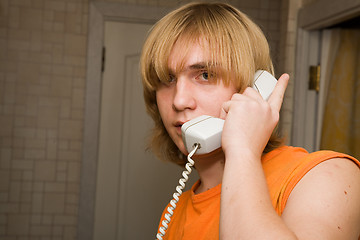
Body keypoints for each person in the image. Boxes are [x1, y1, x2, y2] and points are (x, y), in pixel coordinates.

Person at [140, 2, 360, 240]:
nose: (179, 100)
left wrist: (242, 150)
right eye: (167, 78)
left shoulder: (327, 177)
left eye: (205, 75)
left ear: (252, 89)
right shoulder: (173, 214)